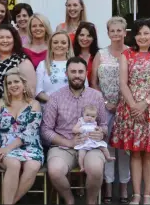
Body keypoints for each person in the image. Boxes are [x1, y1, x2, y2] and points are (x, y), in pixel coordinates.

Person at [110, 18, 150, 205]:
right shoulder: (126, 55)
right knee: (135, 152)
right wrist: (133, 105)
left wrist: (144, 103)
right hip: (130, 107)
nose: (142, 37)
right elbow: (122, 82)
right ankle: (136, 194)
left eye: (146, 33)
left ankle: (148, 194)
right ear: (133, 36)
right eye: (138, 33)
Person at [42, 57, 108, 205]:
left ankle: (91, 202)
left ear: (86, 73)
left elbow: (104, 124)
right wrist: (69, 142)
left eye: (80, 71)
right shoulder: (55, 98)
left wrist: (101, 132)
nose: (77, 75)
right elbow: (46, 130)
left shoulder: (96, 96)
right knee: (55, 171)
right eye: (73, 71)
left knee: (96, 169)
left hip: (90, 145)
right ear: (66, 73)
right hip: (63, 146)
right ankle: (69, 200)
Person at [91, 17, 131, 204]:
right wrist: (105, 101)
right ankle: (107, 186)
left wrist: (124, 101)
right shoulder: (101, 54)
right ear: (108, 33)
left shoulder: (131, 53)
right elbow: (93, 83)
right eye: (112, 31)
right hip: (104, 106)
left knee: (123, 149)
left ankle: (124, 187)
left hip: (126, 106)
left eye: (119, 30)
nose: (116, 34)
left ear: (125, 32)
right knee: (105, 146)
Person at [0, 68, 44, 204]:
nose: (13, 85)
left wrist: (6, 149)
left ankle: (7, 202)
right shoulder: (0, 104)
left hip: (30, 147)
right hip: (2, 149)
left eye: (16, 82)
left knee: (32, 166)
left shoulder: (34, 104)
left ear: (23, 84)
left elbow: (29, 133)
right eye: (9, 83)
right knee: (13, 164)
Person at [0, 24, 35, 108]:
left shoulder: (23, 61)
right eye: (1, 37)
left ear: (14, 40)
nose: (5, 40)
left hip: (12, 110)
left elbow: (31, 92)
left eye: (8, 37)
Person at [36, 31, 85, 104]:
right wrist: (55, 102)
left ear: (68, 46)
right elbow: (38, 91)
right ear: (51, 46)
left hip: (73, 106)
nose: (59, 45)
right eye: (55, 42)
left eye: (63, 43)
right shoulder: (43, 64)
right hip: (49, 106)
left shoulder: (77, 64)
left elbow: (85, 88)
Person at [73, 105, 115, 171]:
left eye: (92, 116)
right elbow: (74, 129)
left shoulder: (94, 123)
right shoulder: (81, 122)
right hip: (84, 142)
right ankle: (81, 166)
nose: (89, 118)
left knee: (104, 147)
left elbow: (99, 129)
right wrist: (79, 130)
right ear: (83, 114)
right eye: (87, 115)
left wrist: (99, 129)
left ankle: (108, 157)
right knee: (81, 154)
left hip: (93, 141)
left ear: (96, 117)